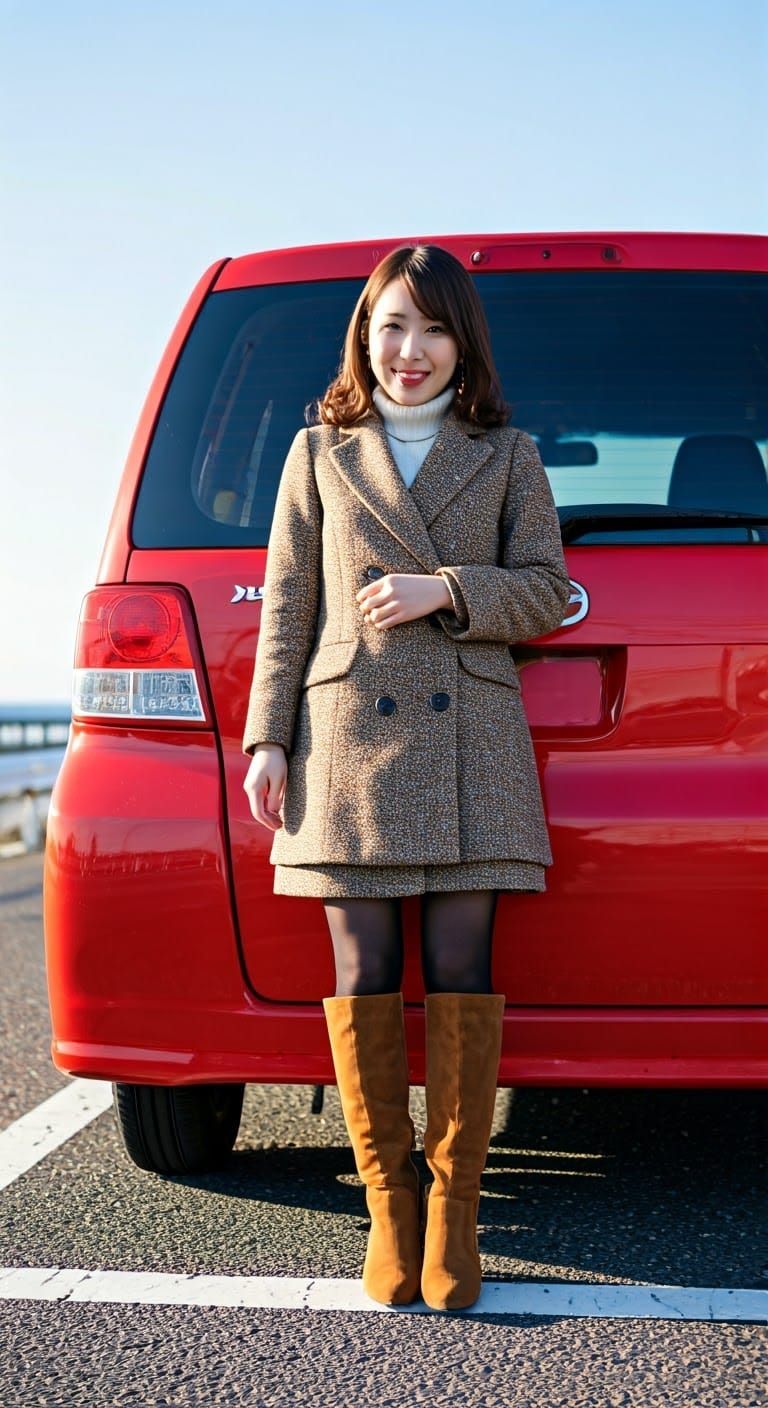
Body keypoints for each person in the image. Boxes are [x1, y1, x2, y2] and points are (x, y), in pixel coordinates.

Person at [242, 243, 571, 1311]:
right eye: (391, 325)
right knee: (362, 966)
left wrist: (446, 587)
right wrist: (267, 739)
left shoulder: (509, 454)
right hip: (347, 735)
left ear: (460, 342)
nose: (410, 350)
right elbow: (288, 607)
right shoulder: (317, 455)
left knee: (462, 964)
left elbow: (550, 595)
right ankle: (392, 1213)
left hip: (471, 736)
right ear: (364, 334)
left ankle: (457, 1216)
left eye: (432, 329)